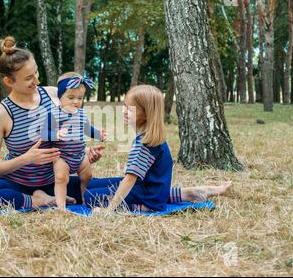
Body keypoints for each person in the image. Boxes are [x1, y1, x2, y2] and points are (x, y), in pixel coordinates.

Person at [0, 36, 104, 210]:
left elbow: (67, 136)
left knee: (104, 186)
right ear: (9, 81)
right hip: (17, 184)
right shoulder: (0, 114)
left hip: (55, 181)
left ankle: (53, 196)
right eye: (28, 78)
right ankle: (35, 201)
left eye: (36, 72)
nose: (37, 81)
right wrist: (27, 158)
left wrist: (84, 153)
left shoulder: (54, 95)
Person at [84, 84, 233, 213]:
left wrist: (110, 210)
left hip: (148, 196)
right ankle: (193, 193)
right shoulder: (149, 137)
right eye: (124, 106)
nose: (123, 111)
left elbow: (129, 180)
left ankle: (143, 207)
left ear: (146, 114)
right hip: (152, 189)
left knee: (89, 196)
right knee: (92, 184)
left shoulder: (145, 144)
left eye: (129, 109)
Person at [41, 72, 106, 210]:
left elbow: (88, 129)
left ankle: (84, 199)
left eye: (80, 98)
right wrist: (55, 134)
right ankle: (61, 206)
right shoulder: (53, 114)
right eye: (70, 97)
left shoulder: (81, 114)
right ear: (60, 98)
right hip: (62, 157)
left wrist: (99, 134)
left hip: (80, 156)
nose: (76, 101)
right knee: (61, 178)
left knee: (87, 175)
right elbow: (43, 134)